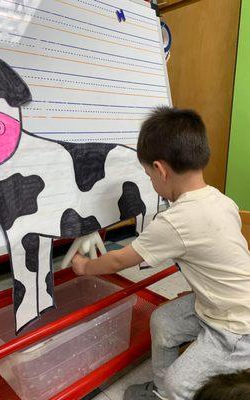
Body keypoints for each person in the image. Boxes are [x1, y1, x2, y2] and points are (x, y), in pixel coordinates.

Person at [70, 106, 250, 400]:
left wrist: (83, 267)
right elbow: (215, 259)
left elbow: (118, 259)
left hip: (237, 328)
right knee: (163, 321)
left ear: (161, 170)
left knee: (179, 385)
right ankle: (160, 390)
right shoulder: (220, 199)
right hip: (221, 302)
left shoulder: (175, 221)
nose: (151, 183)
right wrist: (199, 293)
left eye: (148, 175)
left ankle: (169, 392)